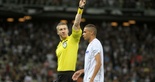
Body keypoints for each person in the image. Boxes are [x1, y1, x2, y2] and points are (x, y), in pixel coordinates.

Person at [55, 0, 86, 82]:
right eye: (61, 29)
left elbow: (76, 24)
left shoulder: (73, 39)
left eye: (65, 29)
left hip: (68, 75)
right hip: (59, 75)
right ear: (58, 32)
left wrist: (80, 8)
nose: (63, 31)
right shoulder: (59, 45)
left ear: (68, 30)